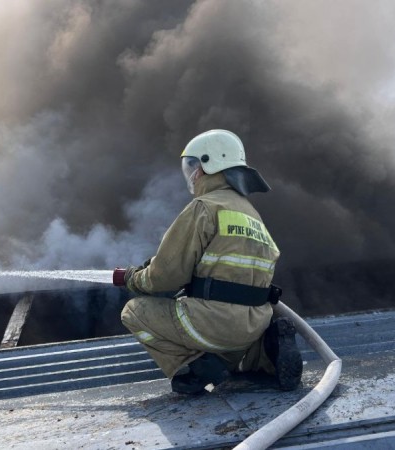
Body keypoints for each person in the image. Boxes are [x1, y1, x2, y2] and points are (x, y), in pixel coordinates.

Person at [113, 129, 302, 395]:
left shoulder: (203, 208)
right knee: (230, 356)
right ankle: (267, 356)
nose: (192, 174)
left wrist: (133, 277)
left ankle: (193, 369)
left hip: (215, 322)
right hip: (255, 323)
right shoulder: (251, 214)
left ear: (211, 165)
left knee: (134, 311)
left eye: (194, 166)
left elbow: (165, 277)